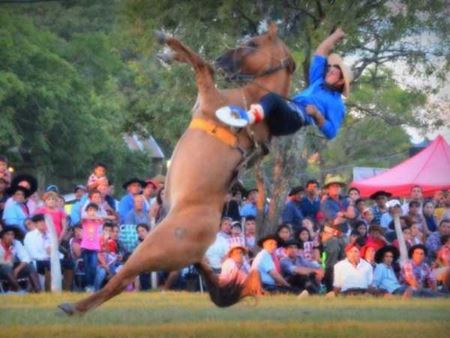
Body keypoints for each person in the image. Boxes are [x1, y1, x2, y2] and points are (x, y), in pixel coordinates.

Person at [216, 28, 352, 140]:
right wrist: (335, 35)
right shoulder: (318, 81)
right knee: (265, 99)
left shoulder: (337, 105)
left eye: (333, 73)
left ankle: (246, 117)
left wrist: (317, 115)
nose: (328, 73)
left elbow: (332, 133)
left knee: (273, 98)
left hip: (294, 120)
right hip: (287, 110)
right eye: (329, 70)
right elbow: (321, 52)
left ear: (341, 82)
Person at [80, 203, 104, 292]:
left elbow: (101, 219)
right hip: (85, 247)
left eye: (94, 210)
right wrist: (90, 216)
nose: (92, 212)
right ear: (87, 211)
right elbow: (83, 218)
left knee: (93, 267)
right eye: (90, 210)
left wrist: (96, 216)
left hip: (94, 248)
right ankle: (88, 286)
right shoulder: (85, 221)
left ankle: (92, 286)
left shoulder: (98, 221)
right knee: (87, 267)